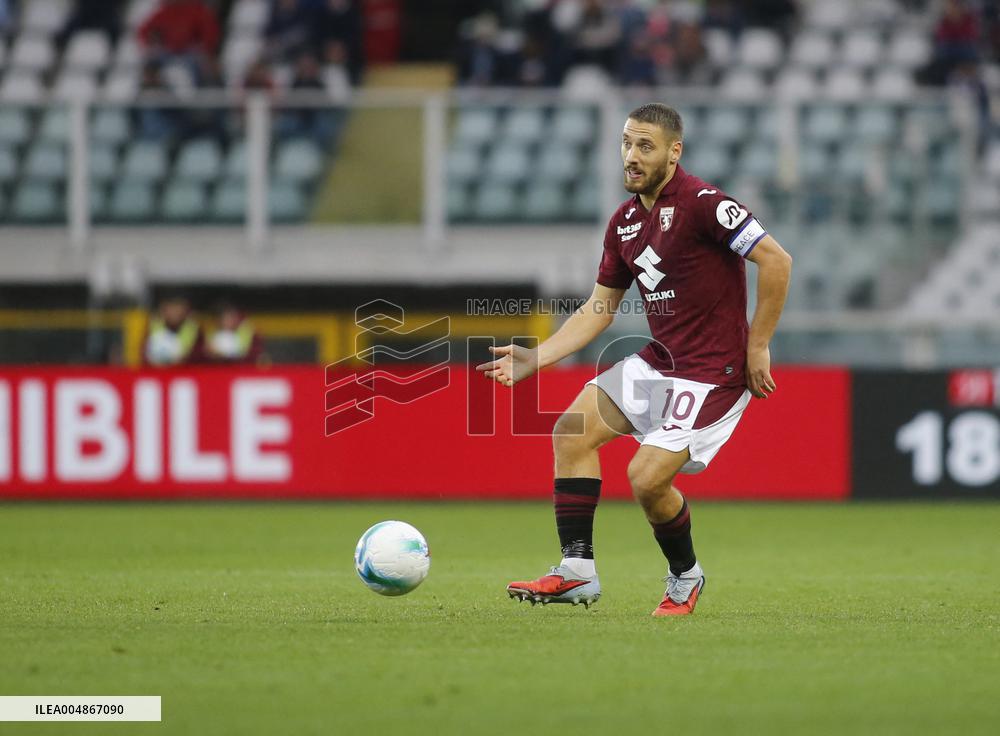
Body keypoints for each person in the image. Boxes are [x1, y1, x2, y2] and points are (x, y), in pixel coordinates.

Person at [476, 103, 792, 616]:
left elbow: (776, 260)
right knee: (571, 431)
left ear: (674, 152)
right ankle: (576, 572)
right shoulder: (623, 223)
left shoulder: (704, 203)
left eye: (645, 146)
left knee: (646, 480)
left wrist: (757, 345)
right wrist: (537, 359)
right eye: (626, 143)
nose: (631, 156)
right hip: (659, 361)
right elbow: (598, 310)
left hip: (714, 372)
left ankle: (685, 576)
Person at [143, 295, 207, 366]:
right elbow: (144, 353)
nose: (175, 313)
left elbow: (201, 356)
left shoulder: (194, 328)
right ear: (163, 310)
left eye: (178, 309)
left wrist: (184, 359)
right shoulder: (154, 326)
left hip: (185, 371)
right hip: (157, 370)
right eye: (171, 309)